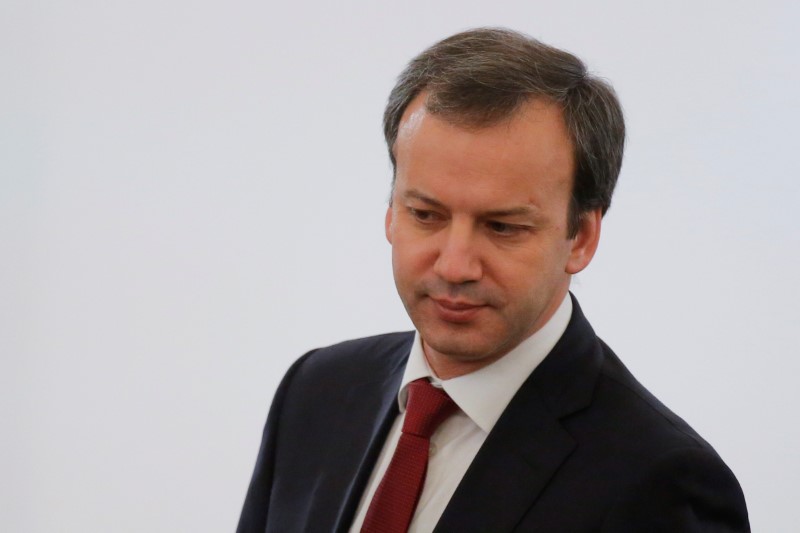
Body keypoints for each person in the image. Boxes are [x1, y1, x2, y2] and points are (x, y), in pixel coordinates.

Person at [237, 28, 749, 532]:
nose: (455, 266)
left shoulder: (661, 482)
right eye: (426, 214)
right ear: (391, 211)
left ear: (582, 237)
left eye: (502, 226)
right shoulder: (316, 391)